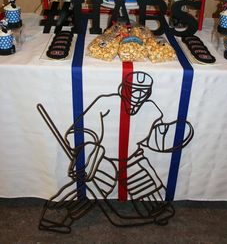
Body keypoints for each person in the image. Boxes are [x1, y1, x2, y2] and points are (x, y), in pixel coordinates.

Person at [38, 71, 194, 233]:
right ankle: (53, 218)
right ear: (123, 89)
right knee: (91, 185)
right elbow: (83, 129)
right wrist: (87, 151)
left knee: (145, 182)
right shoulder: (105, 103)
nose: (138, 95)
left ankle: (155, 210)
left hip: (132, 157)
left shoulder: (153, 110)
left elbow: (151, 138)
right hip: (103, 157)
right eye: (134, 89)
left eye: (143, 91)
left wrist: (164, 138)